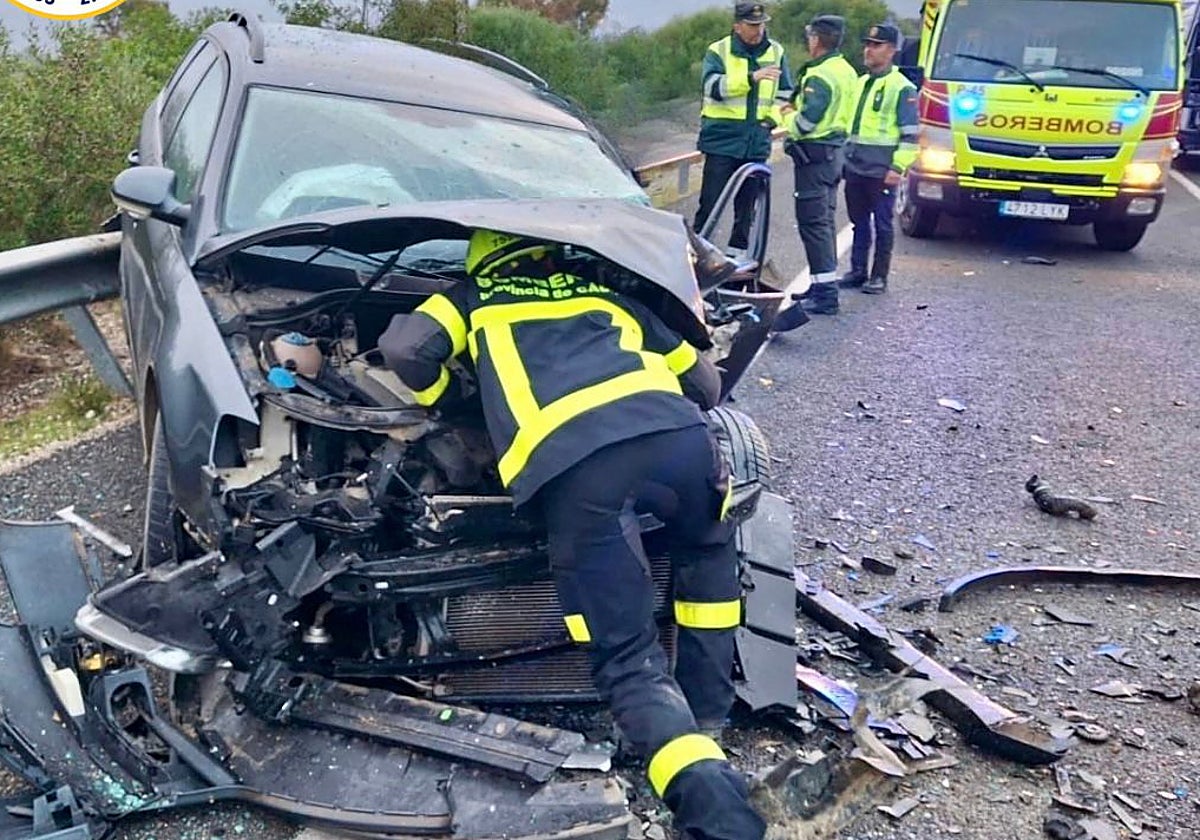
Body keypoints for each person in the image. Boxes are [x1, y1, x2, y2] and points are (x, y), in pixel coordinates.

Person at [378, 229, 767, 840]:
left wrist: (458, 396)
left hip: (583, 470)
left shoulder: (470, 297)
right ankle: (709, 711)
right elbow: (707, 385)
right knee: (707, 555)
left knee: (627, 659)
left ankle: (720, 817)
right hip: (684, 446)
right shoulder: (604, 293)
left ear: (482, 258)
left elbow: (404, 351)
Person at [695, 2, 794, 258]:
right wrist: (751, 78)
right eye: (751, 25)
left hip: (756, 142)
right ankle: (697, 254)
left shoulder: (776, 52)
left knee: (747, 207)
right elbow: (712, 88)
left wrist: (770, 122)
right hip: (722, 140)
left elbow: (786, 95)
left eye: (761, 24)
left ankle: (736, 257)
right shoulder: (719, 51)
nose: (758, 30)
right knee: (710, 203)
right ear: (737, 26)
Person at [776, 14, 858, 319]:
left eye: (810, 37)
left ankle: (825, 295)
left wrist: (783, 117)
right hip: (834, 155)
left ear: (816, 40)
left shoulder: (820, 74)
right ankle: (820, 283)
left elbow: (805, 123)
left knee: (814, 224)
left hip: (815, 156)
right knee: (823, 219)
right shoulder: (845, 70)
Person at [838, 24, 919, 294]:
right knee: (858, 221)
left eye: (877, 45)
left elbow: (910, 136)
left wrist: (897, 167)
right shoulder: (860, 83)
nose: (869, 50)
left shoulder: (902, 88)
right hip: (855, 165)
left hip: (883, 169)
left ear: (892, 50)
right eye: (868, 44)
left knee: (883, 224)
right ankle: (858, 270)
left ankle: (879, 276)